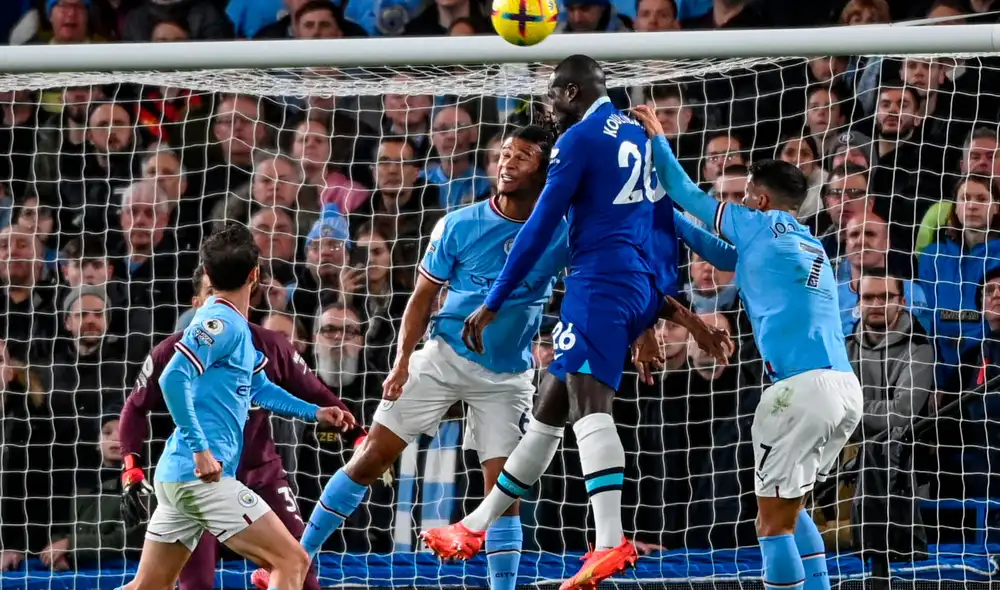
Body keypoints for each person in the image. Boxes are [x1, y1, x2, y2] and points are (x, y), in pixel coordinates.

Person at [422, 56, 730, 590]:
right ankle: (474, 526)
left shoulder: (579, 140)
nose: (548, 109)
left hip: (598, 288)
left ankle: (609, 541)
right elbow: (661, 222)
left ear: (569, 91)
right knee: (547, 414)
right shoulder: (636, 135)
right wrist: (665, 312)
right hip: (636, 284)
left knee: (591, 409)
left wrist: (494, 299)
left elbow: (540, 225)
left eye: (550, 96)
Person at [253, 124, 565, 590]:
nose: (507, 164)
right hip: (442, 358)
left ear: (544, 170)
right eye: (504, 154)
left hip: (505, 376)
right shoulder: (460, 224)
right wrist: (401, 362)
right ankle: (296, 562)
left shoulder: (560, 233)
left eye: (521, 157)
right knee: (371, 457)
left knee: (503, 494)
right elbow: (421, 298)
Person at [632, 103, 863, 590]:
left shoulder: (759, 224)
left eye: (744, 196)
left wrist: (656, 137)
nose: (737, 204)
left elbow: (685, 189)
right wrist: (666, 217)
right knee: (792, 503)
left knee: (770, 524)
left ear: (757, 201)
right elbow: (722, 254)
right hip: (843, 389)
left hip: (799, 390)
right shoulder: (807, 240)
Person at [113, 224, 349, 590]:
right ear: (255, 276)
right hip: (200, 475)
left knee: (147, 586)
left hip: (178, 478)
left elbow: (260, 389)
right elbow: (172, 379)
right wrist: (202, 450)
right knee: (292, 560)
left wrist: (314, 412)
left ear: (207, 273)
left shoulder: (235, 328)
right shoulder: (220, 323)